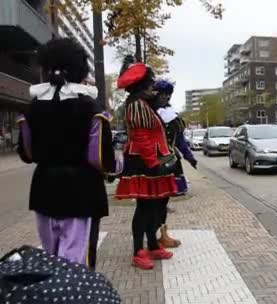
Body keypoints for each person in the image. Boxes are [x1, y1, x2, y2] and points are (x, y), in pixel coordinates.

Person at [16, 38, 118, 265]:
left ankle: (55, 299)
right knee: (78, 260)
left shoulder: (31, 108)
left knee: (51, 256)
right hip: (82, 189)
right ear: (79, 70)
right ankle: (78, 299)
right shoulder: (91, 107)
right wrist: (118, 166)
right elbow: (99, 158)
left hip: (44, 188)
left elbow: (26, 154)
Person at [115, 56, 177, 270]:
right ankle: (138, 251)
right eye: (150, 83)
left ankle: (151, 244)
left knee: (153, 206)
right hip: (144, 163)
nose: (153, 87)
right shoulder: (137, 105)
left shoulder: (142, 103)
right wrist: (153, 163)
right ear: (142, 85)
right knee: (144, 208)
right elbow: (141, 137)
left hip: (150, 161)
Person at [153, 80, 198, 248]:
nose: (164, 97)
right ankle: (151, 236)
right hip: (150, 164)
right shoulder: (148, 113)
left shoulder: (172, 116)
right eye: (161, 93)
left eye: (167, 94)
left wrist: (189, 157)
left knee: (164, 200)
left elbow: (180, 141)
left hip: (169, 163)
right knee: (151, 201)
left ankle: (162, 234)